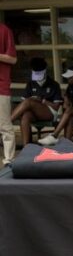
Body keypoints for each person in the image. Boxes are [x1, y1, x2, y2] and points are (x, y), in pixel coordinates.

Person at [10, 57, 62, 146]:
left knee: (29, 101)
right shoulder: (30, 83)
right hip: (33, 112)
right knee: (25, 116)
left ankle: (6, 123)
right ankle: (26, 147)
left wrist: (42, 101)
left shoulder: (54, 84)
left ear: (45, 72)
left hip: (50, 112)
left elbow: (56, 107)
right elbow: (23, 103)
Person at [39, 64, 73, 145]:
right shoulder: (70, 87)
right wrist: (66, 99)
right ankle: (67, 144)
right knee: (70, 119)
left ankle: (54, 135)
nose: (68, 79)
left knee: (70, 111)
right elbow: (65, 106)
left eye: (70, 77)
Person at [0, 22, 17, 166]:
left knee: (4, 126)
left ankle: (9, 159)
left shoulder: (4, 30)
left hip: (1, 86)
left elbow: (13, 59)